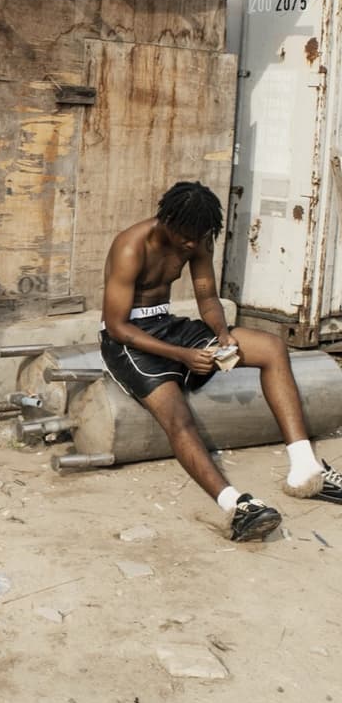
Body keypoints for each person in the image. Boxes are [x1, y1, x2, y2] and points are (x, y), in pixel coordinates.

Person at [100, 180, 342, 541]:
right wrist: (183, 356)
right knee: (178, 417)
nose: (193, 246)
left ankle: (305, 470)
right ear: (166, 221)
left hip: (168, 326)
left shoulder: (196, 237)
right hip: (129, 341)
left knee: (272, 349)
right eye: (186, 237)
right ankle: (236, 505)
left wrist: (223, 334)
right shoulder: (131, 246)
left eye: (200, 238)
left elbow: (206, 295)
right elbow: (118, 326)